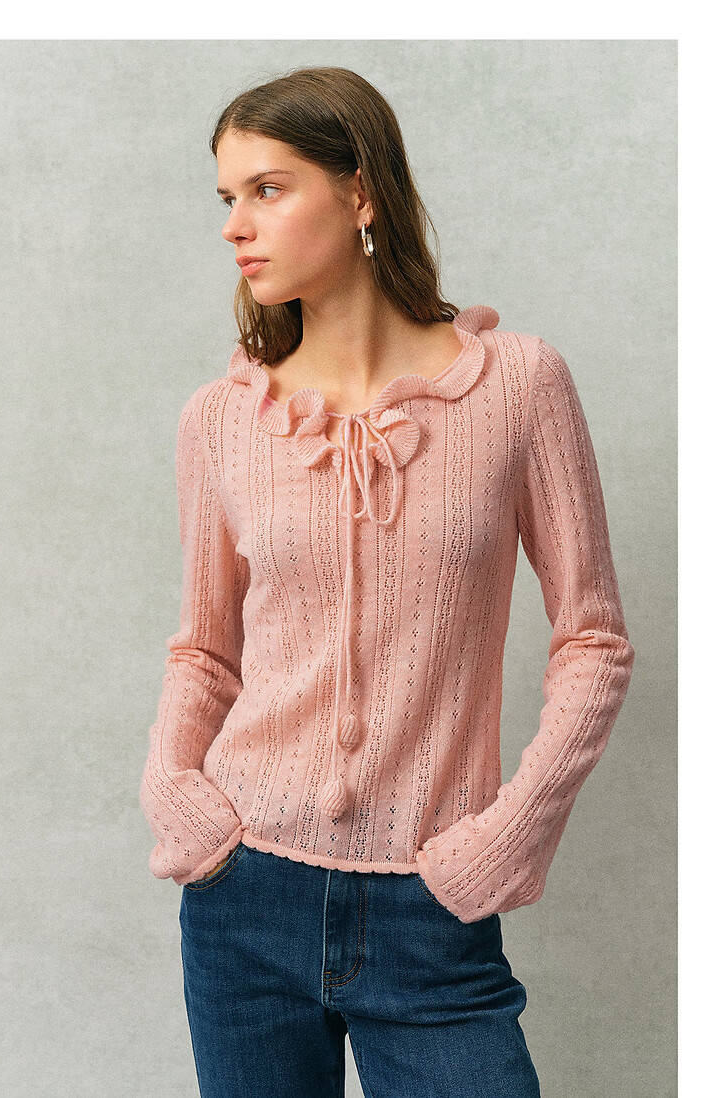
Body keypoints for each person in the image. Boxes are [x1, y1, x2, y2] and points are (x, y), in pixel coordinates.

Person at [139, 66, 635, 1098]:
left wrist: (505, 836)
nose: (235, 225)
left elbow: (593, 641)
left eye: (267, 189)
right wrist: (178, 798)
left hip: (431, 907)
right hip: (242, 900)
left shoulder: (518, 386)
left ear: (360, 191)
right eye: (226, 197)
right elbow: (204, 651)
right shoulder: (222, 419)